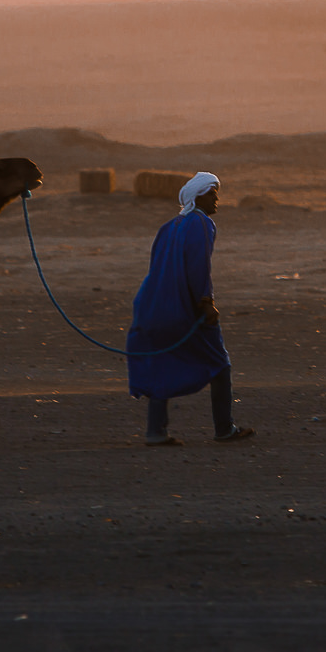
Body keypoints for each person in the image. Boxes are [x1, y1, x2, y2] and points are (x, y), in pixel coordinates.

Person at [127, 171, 254, 446]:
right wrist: (206, 303)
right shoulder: (201, 223)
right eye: (212, 193)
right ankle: (224, 428)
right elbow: (199, 268)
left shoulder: (169, 226)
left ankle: (155, 432)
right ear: (197, 197)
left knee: (161, 362)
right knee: (220, 364)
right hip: (184, 309)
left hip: (152, 306)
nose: (216, 198)